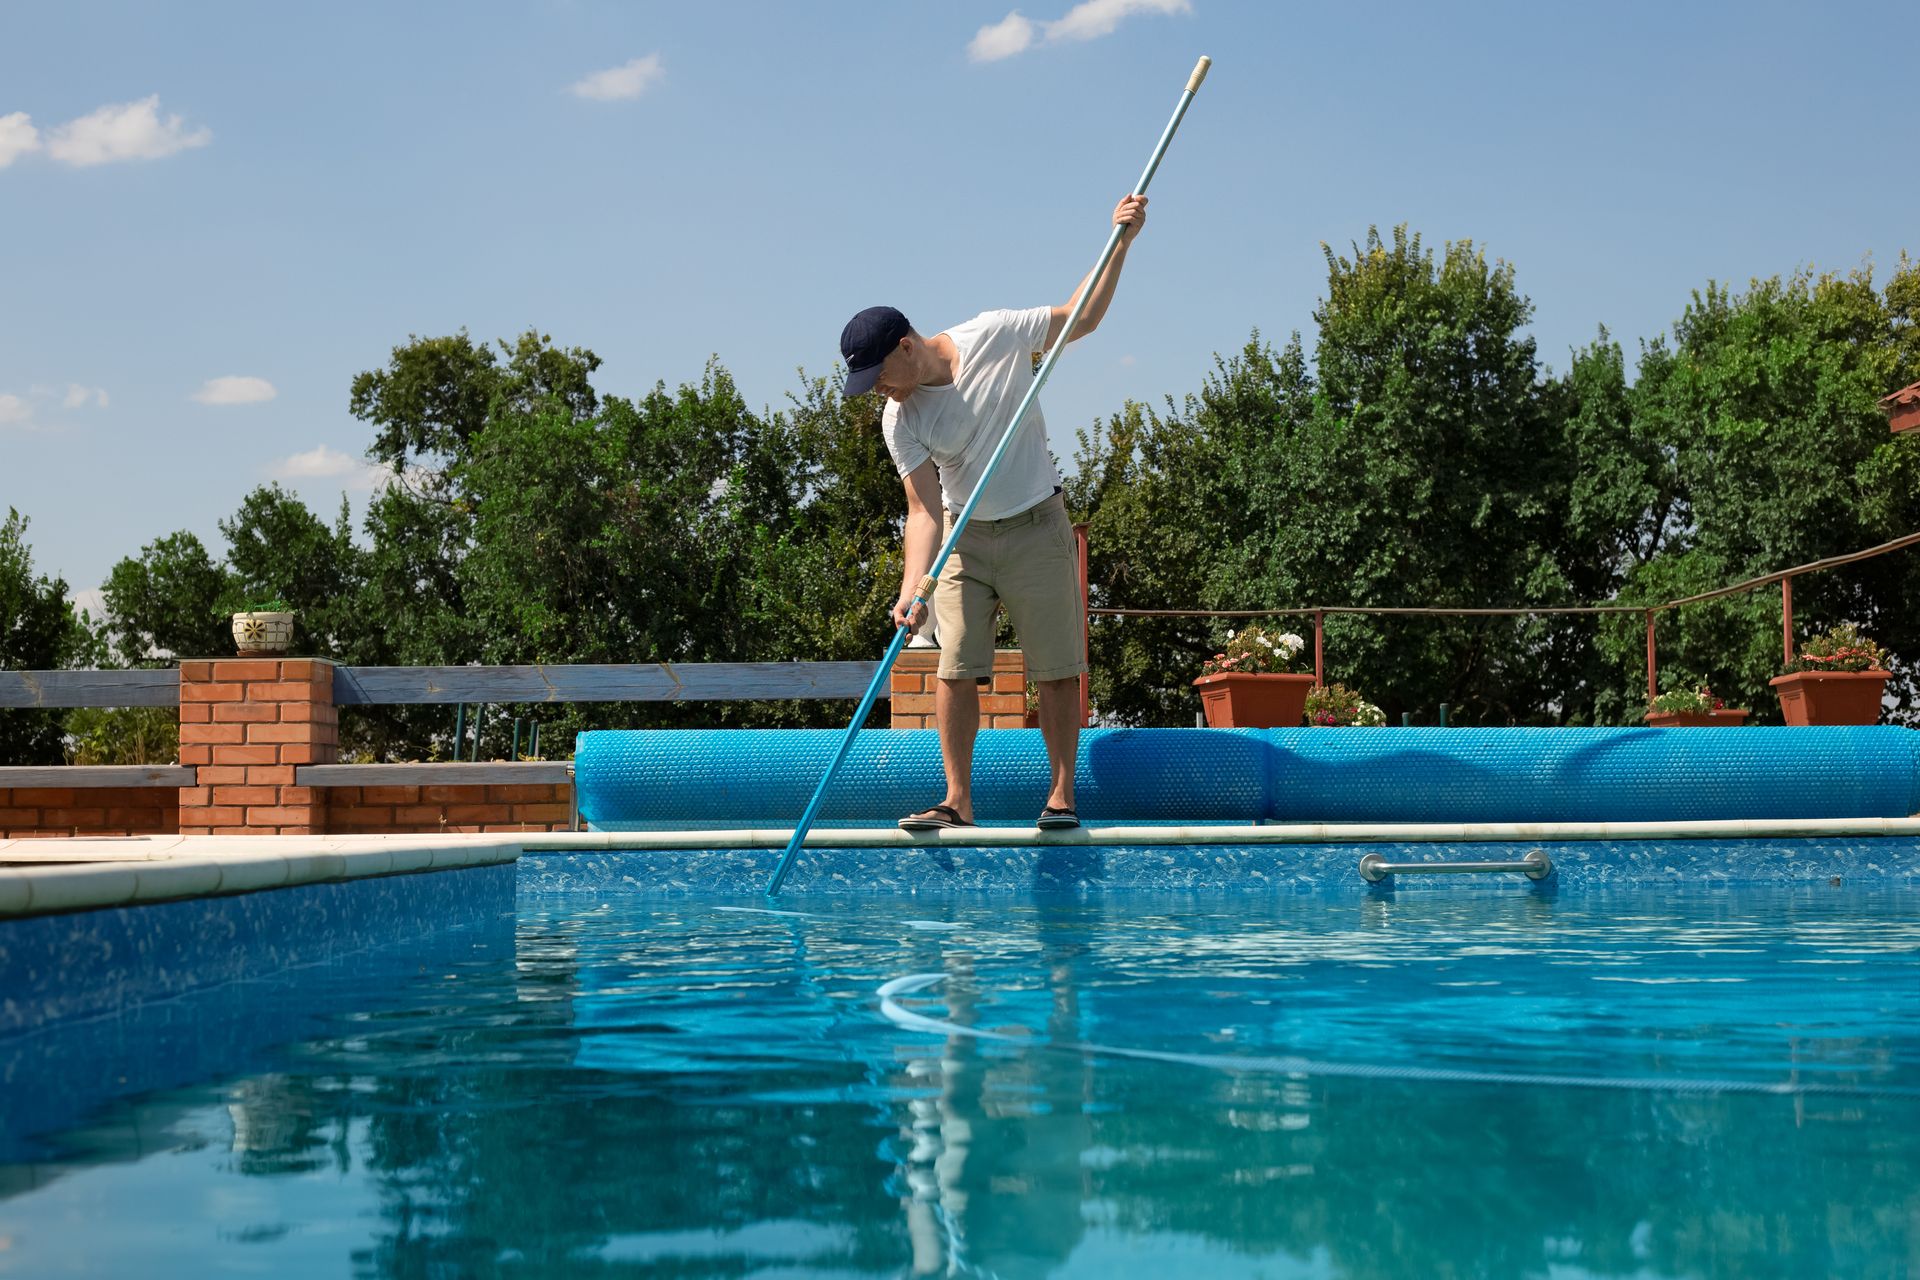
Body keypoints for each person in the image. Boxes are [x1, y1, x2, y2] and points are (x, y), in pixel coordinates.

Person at [837, 194, 1148, 832]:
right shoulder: (902, 419)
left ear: (905, 346)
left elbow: (1077, 318)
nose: (881, 393)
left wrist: (1121, 242)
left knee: (1056, 668)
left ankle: (1061, 796)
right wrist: (911, 590)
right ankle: (957, 802)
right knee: (954, 669)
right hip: (964, 540)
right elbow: (923, 511)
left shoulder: (993, 335)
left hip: (1037, 524)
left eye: (880, 377)